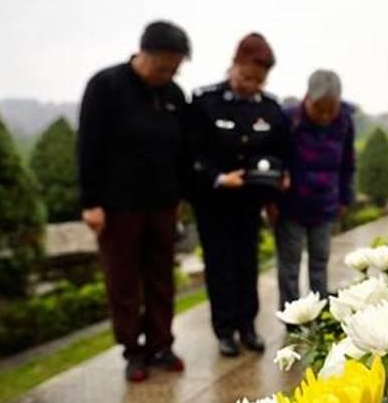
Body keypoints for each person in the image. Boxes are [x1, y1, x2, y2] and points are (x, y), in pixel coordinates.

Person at [77, 21, 190, 381]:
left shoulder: (173, 94)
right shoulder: (106, 86)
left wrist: (180, 195)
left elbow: (181, 150)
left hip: (162, 202)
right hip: (117, 205)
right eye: (163, 67)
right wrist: (91, 202)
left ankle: (161, 344)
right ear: (144, 54)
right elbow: (88, 147)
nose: (168, 74)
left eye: (174, 69)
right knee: (123, 281)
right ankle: (133, 350)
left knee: (161, 278)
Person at [186, 33, 290, 357]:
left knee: (247, 265)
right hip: (214, 201)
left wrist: (280, 176)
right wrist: (217, 177)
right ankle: (225, 330)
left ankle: (248, 326)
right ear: (233, 65)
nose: (251, 85)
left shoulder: (270, 108)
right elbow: (191, 151)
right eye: (246, 77)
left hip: (248, 203)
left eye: (258, 80)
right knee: (220, 267)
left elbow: (280, 149)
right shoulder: (205, 101)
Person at [271, 70, 355, 314]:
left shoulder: (344, 122)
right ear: (306, 98)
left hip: (325, 203)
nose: (326, 115)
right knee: (290, 266)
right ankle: (292, 317)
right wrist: (272, 200)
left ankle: (320, 314)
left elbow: (348, 163)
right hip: (291, 206)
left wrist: (344, 198)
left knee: (320, 262)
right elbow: (276, 159)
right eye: (320, 109)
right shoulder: (289, 120)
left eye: (332, 109)